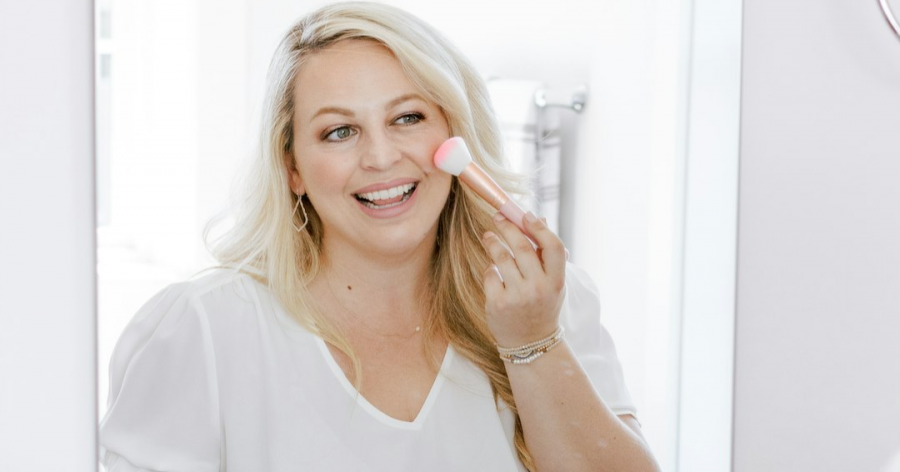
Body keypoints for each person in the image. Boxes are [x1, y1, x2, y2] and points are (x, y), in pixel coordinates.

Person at [99, 2, 660, 471]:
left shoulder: (546, 303)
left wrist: (533, 343)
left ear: (455, 133)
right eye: (340, 131)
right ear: (292, 168)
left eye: (407, 118)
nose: (382, 156)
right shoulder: (202, 330)